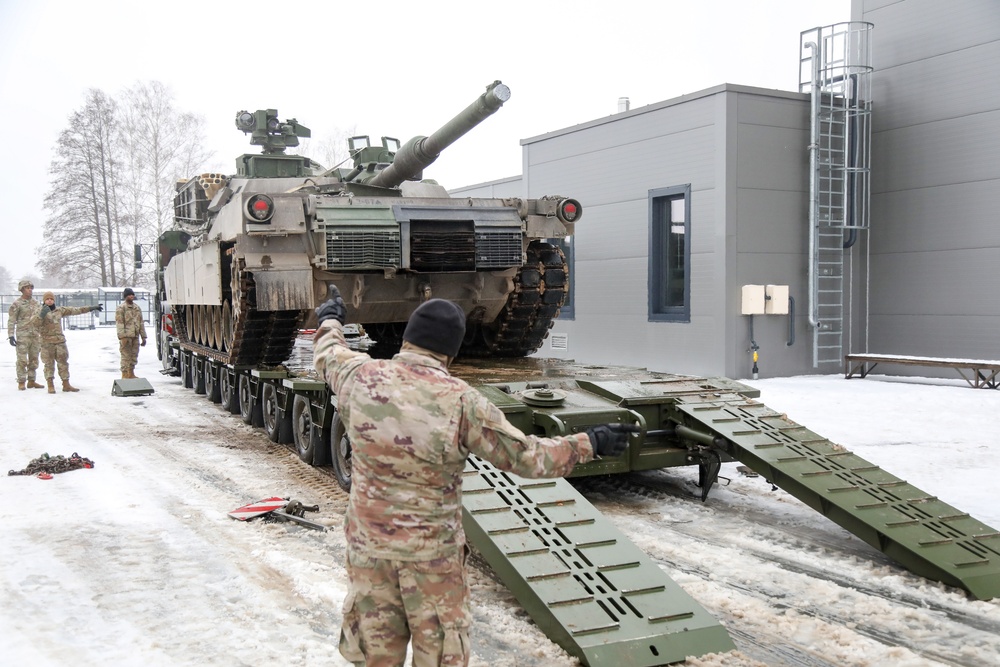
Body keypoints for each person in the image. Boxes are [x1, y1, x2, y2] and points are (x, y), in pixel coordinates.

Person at [312, 288, 634, 667]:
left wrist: (330, 318)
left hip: (369, 556)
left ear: (407, 338)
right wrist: (590, 443)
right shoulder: (462, 401)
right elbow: (528, 458)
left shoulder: (357, 376)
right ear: (452, 351)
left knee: (375, 658)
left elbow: (327, 353)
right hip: (431, 562)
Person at [35, 291, 103, 393]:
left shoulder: (59, 310)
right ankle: (50, 385)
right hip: (46, 342)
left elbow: (76, 310)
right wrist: (41, 315)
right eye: (47, 299)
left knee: (63, 363)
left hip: (60, 342)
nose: (49, 301)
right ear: (44, 300)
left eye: (51, 299)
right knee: (49, 364)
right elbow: (34, 324)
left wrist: (91, 308)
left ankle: (66, 384)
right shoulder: (39, 311)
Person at [7, 279, 43, 391]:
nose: (30, 290)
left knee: (34, 359)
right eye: (27, 288)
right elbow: (11, 320)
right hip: (23, 335)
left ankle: (31, 381)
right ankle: (21, 381)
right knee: (22, 359)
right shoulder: (17, 304)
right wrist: (11, 335)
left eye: (31, 288)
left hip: (35, 335)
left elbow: (41, 318)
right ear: (22, 289)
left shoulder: (36, 303)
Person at [115, 287, 147, 379]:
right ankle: (124, 374)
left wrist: (143, 337)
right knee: (125, 355)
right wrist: (122, 337)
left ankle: (131, 373)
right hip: (126, 336)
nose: (131, 296)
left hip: (135, 336)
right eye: (129, 295)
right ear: (125, 297)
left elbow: (141, 322)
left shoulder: (137, 308)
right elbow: (119, 323)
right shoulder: (121, 308)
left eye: (132, 295)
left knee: (134, 355)